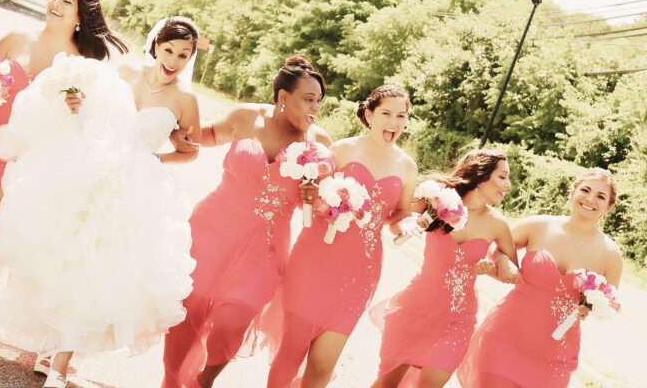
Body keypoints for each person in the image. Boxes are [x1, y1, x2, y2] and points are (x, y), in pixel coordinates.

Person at [0, 16, 203, 388]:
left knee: (102, 268)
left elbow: (189, 151)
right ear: (156, 45)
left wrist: (157, 158)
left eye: (184, 55)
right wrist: (78, 103)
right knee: (68, 257)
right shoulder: (129, 73)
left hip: (135, 188)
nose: (174, 60)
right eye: (169, 50)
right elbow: (97, 116)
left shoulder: (186, 99)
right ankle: (53, 344)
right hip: (92, 168)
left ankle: (61, 364)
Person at [0, 0, 128, 344]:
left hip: (25, 152)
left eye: (66, 0)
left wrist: (77, 105)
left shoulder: (81, 64)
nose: (56, 3)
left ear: (81, 16)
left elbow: (89, 115)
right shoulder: (17, 38)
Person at [162, 56, 332, 388]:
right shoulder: (246, 117)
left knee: (235, 317)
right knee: (190, 307)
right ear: (284, 97)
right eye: (309, 99)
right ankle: (170, 380)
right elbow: (206, 136)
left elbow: (318, 207)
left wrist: (315, 198)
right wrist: (174, 134)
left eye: (319, 101)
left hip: (266, 247)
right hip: (213, 228)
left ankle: (203, 381)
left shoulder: (319, 144)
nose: (315, 107)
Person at [266, 84, 422, 388]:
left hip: (359, 272)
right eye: (387, 114)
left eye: (401, 116)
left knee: (323, 363)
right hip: (314, 260)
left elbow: (400, 214)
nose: (394, 123)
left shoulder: (407, 166)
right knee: (291, 352)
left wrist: (405, 225)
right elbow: (308, 197)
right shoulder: (342, 150)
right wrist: (321, 202)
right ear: (369, 113)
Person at [458, 168, 624, 388]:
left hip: (555, 354)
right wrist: (503, 261)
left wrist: (590, 309)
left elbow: (608, 301)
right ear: (573, 191)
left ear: (609, 207)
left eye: (601, 196)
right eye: (585, 189)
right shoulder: (539, 225)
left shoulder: (611, 255)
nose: (590, 199)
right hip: (505, 338)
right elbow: (497, 246)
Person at [370, 149, 519, 387]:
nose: (508, 184)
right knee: (387, 383)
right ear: (481, 176)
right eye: (503, 177)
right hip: (417, 307)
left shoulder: (498, 224)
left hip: (458, 319)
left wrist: (497, 264)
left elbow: (511, 273)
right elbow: (396, 224)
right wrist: (410, 224)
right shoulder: (437, 198)